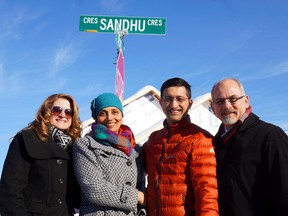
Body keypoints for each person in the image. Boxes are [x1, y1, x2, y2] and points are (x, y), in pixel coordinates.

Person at [210, 78, 288, 216]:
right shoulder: (214, 144)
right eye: (220, 101)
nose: (227, 106)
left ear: (246, 101)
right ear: (213, 107)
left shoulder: (270, 136)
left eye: (233, 99)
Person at [142, 77, 219, 216]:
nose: (173, 104)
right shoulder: (154, 139)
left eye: (180, 99)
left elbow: (207, 192)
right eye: (168, 99)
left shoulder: (199, 138)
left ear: (189, 103)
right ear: (161, 103)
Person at [0, 93, 82, 216]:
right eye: (57, 110)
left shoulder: (74, 147)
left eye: (69, 112)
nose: (62, 115)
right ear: (47, 111)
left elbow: (76, 197)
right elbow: (10, 190)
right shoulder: (27, 138)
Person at [73, 93, 146, 216]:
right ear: (96, 117)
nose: (109, 118)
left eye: (115, 112)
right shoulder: (86, 145)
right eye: (102, 113)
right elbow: (94, 189)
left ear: (121, 115)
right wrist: (137, 197)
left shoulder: (134, 148)